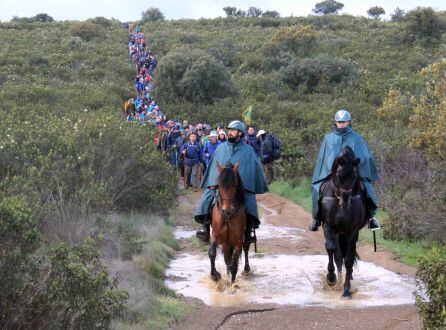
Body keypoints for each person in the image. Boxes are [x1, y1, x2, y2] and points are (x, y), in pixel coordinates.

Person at [194, 120, 268, 243]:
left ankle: (249, 231)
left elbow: (252, 168)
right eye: (229, 130)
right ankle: (205, 227)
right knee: (207, 198)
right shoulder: (221, 148)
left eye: (233, 130)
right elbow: (214, 167)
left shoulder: (248, 150)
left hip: (240, 188)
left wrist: (247, 185)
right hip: (222, 186)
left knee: (250, 203)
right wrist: (213, 182)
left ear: (240, 133)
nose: (230, 132)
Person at [309, 110, 380, 232]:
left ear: (349, 122)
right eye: (339, 122)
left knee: (366, 188)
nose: (341, 124)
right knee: (317, 188)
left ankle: (371, 218)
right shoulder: (328, 138)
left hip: (352, 173)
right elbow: (323, 158)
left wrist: (357, 165)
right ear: (336, 122)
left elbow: (366, 156)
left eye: (344, 122)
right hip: (332, 173)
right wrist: (331, 168)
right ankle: (316, 218)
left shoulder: (357, 138)